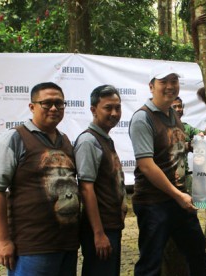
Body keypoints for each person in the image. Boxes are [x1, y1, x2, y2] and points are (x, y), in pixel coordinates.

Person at [0, 82, 80, 275]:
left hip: (67, 244)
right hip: (33, 247)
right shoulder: (15, 139)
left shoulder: (65, 141)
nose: (54, 108)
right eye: (47, 103)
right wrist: (3, 240)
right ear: (32, 107)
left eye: (59, 103)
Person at [129, 64, 206, 275]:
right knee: (151, 262)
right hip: (154, 202)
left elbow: (176, 149)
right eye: (163, 82)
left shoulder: (173, 115)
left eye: (174, 81)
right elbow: (146, 165)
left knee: (197, 251)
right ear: (151, 86)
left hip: (179, 200)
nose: (170, 87)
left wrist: (196, 144)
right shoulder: (142, 118)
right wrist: (178, 195)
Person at [74, 85, 127, 276]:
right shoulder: (89, 141)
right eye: (108, 108)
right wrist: (98, 233)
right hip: (100, 229)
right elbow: (86, 189)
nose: (114, 113)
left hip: (111, 226)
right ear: (93, 109)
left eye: (118, 107)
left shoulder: (105, 138)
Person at [171, 96, 202, 194]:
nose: (178, 109)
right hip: (169, 176)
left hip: (185, 174)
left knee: (190, 205)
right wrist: (188, 145)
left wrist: (200, 136)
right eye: (174, 107)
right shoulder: (163, 127)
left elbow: (202, 134)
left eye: (180, 106)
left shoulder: (186, 127)